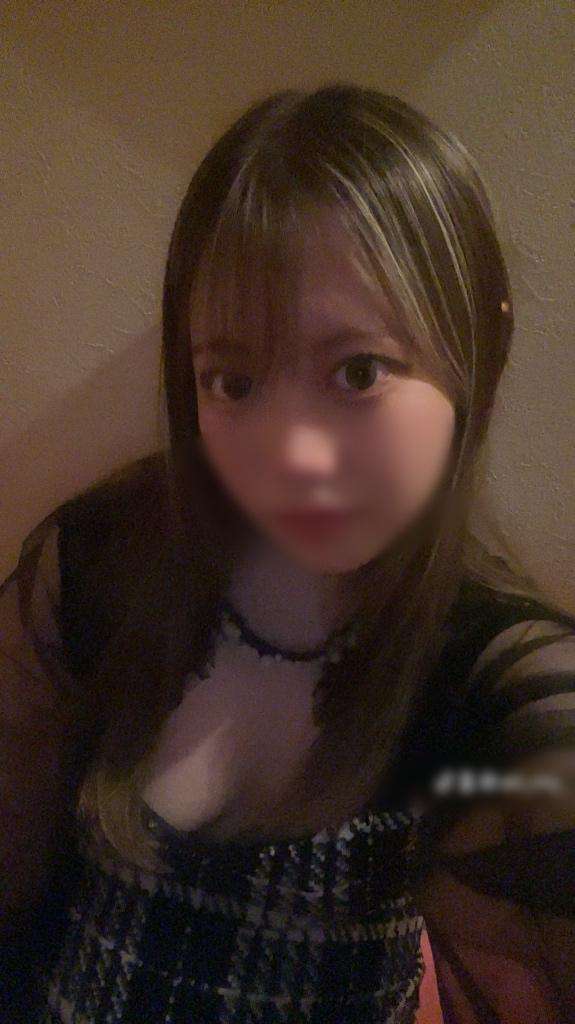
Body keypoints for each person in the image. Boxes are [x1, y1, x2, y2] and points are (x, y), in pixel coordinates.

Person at [1, 83, 573, 1024]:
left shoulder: (481, 675)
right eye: (233, 382)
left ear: (478, 345)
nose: (292, 456)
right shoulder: (110, 560)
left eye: (358, 372)